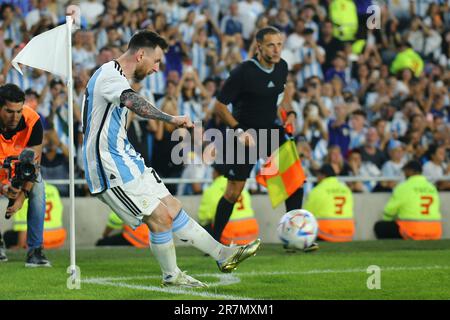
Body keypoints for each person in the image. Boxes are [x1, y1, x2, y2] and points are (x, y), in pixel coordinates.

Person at [81, 30, 260, 288]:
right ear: (140, 55)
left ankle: (223, 255)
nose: (156, 69)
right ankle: (172, 276)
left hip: (127, 156)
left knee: (172, 208)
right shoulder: (110, 75)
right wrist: (171, 118)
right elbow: (132, 102)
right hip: (109, 165)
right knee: (160, 218)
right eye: (155, 62)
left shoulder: (116, 75)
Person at [212, 26, 310, 249]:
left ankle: (294, 239)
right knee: (233, 192)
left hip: (271, 131)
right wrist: (238, 130)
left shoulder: (282, 67)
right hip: (243, 134)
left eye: (279, 45)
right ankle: (213, 241)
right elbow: (219, 107)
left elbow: (282, 97)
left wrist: (291, 113)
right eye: (271, 45)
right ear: (259, 47)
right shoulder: (243, 72)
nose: (276, 50)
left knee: (295, 183)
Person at [0, 83, 50, 266]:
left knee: (38, 187)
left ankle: (35, 250)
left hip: (21, 168)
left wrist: (21, 196)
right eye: (9, 111)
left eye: (19, 111)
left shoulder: (33, 120)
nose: (15, 117)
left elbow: (34, 166)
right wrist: (3, 187)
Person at [374, 160, 442, 240]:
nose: (404, 174)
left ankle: (397, 250)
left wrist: (387, 220)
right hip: (434, 232)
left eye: (405, 171)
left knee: (380, 226)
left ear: (410, 171)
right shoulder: (432, 187)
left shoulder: (403, 187)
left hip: (412, 231)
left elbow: (389, 211)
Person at [198, 165, 259, 246]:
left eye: (213, 171)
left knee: (205, 224)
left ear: (216, 173)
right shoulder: (242, 188)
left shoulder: (211, 190)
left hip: (229, 237)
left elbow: (203, 218)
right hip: (252, 236)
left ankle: (214, 243)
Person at [3, 182, 66, 250]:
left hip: (39, 241)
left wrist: (20, 246)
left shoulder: (24, 194)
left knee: (8, 236)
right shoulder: (53, 189)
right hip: (58, 239)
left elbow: (23, 226)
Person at [304, 164, 355, 242]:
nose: (317, 178)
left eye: (318, 175)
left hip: (325, 234)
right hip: (348, 233)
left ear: (323, 175)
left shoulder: (316, 190)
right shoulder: (346, 190)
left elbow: (306, 215)